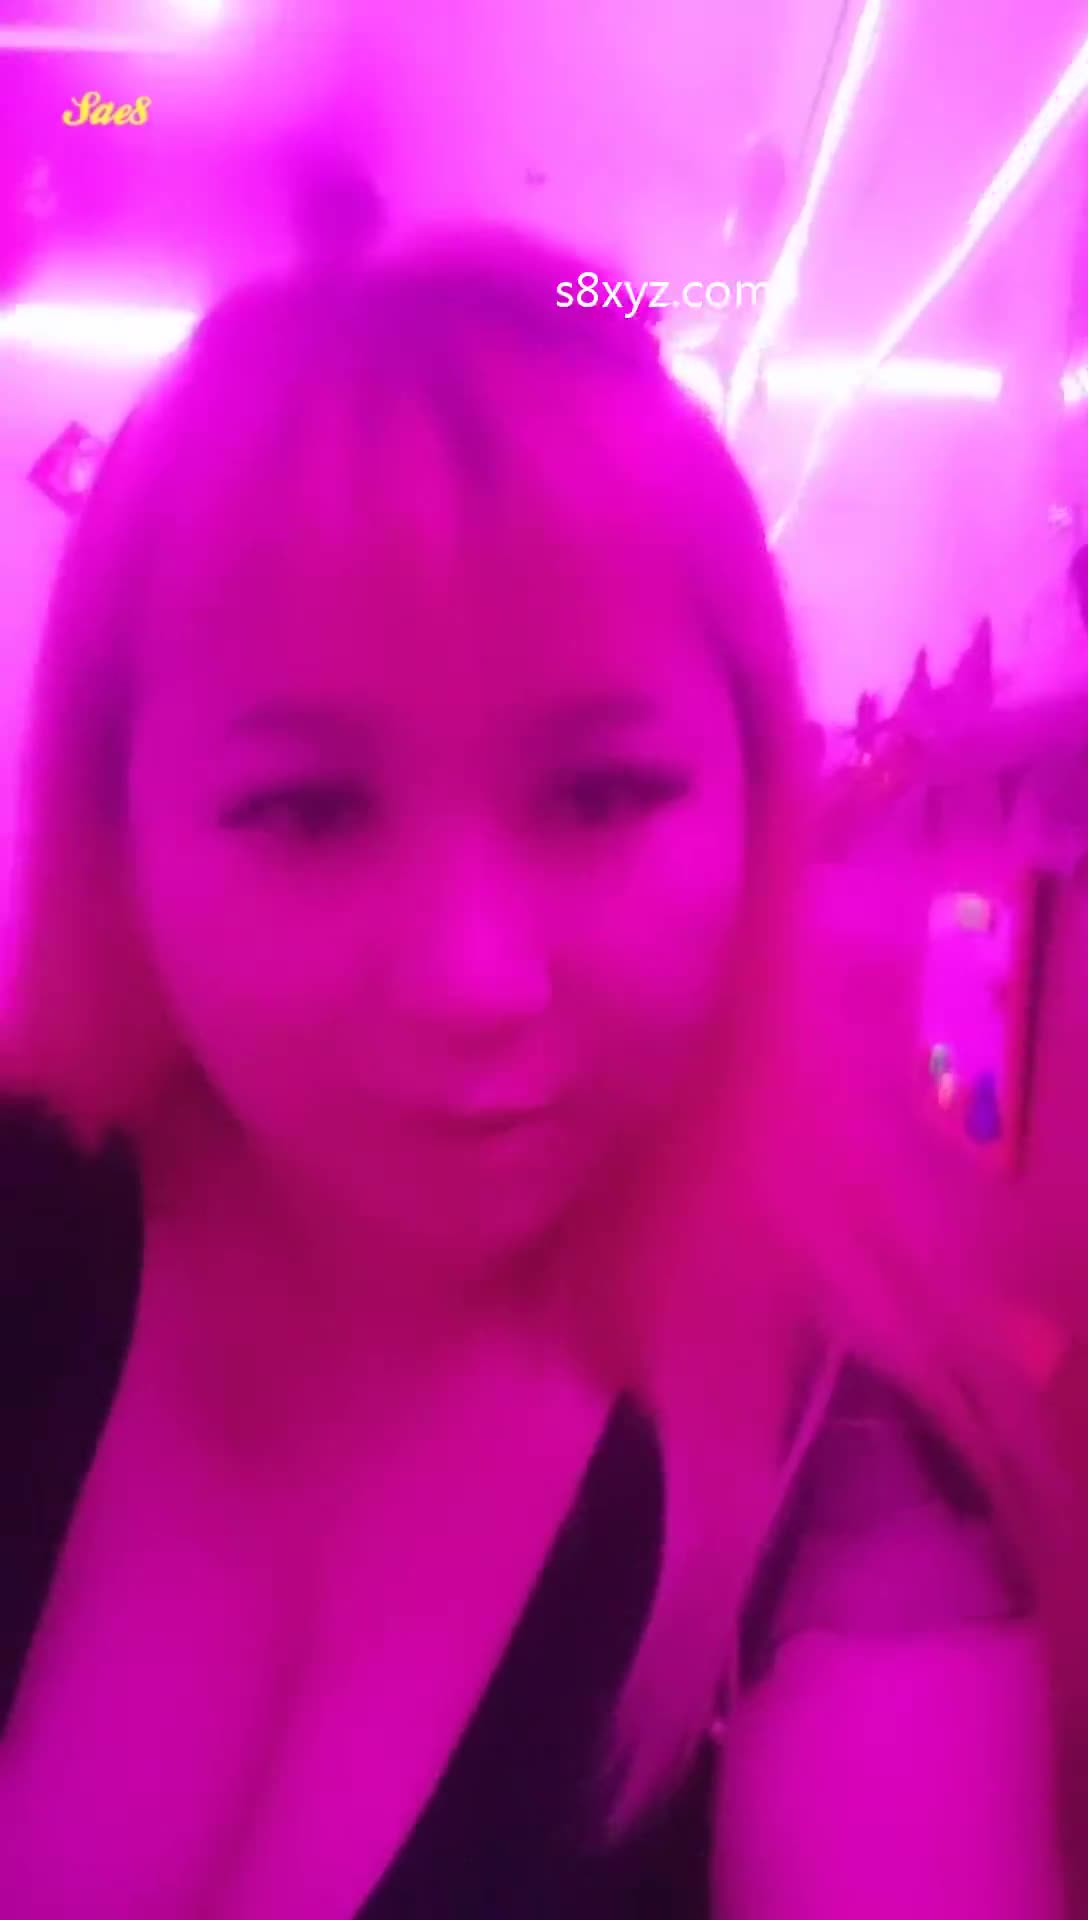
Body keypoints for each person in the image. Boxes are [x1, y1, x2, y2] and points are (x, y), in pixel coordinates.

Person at [0, 226, 1064, 1918]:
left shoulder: (853, 1503)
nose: (474, 985)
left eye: (600, 793)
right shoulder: (34, 1230)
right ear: (116, 826)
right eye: (309, 809)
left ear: (756, 799)